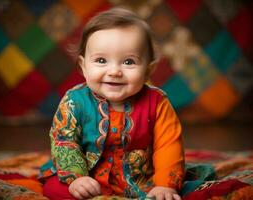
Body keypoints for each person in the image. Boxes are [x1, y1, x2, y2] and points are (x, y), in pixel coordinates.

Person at [40, 7, 185, 200]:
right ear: (84, 67)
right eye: (101, 60)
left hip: (141, 179)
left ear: (148, 70)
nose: (114, 71)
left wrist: (166, 185)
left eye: (128, 62)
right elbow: (64, 140)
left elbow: (168, 144)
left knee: (173, 194)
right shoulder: (74, 101)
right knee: (54, 189)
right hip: (88, 176)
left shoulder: (157, 102)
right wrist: (77, 178)